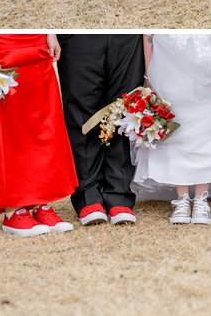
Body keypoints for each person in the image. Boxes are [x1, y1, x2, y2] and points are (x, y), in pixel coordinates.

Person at [0, 31, 75, 235]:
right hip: (1, 42)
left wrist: (50, 33)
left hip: (35, 39)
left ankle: (39, 203)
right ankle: (13, 210)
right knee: (11, 125)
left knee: (41, 123)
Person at [137, 32, 211, 225]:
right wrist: (148, 73)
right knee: (177, 123)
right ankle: (182, 198)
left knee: (209, 125)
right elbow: (148, 34)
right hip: (169, 62)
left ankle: (201, 198)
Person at [56, 32, 145, 226]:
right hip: (78, 35)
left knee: (124, 106)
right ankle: (88, 195)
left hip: (128, 35)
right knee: (82, 110)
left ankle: (119, 194)